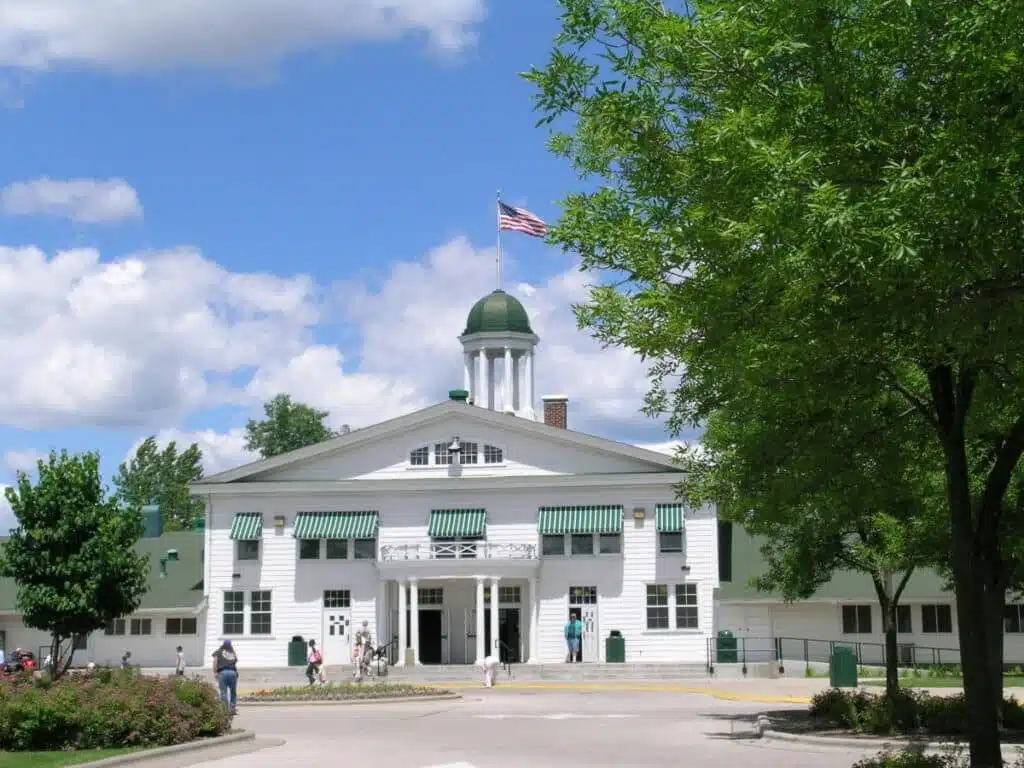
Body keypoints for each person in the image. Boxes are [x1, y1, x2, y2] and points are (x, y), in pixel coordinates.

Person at [212, 640, 238, 715]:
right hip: (232, 673)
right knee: (233, 692)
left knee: (223, 692)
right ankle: (232, 709)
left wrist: (215, 672)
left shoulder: (218, 651)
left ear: (223, 645)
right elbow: (234, 663)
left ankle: (224, 709)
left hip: (222, 673)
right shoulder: (232, 652)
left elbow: (215, 662)